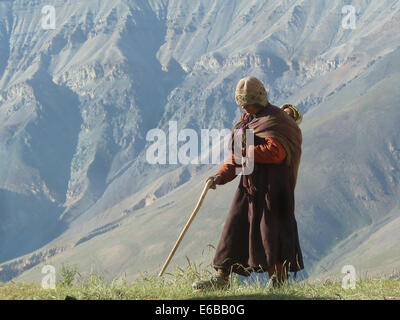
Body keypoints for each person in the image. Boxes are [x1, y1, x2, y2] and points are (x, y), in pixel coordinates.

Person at [192, 76, 304, 290]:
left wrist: (245, 153)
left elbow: (277, 152)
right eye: (242, 103)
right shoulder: (246, 122)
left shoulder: (276, 120)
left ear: (258, 101)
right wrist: (220, 177)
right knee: (235, 227)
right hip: (250, 186)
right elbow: (235, 158)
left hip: (275, 189)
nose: (244, 106)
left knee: (272, 233)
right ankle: (221, 279)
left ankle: (278, 281)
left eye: (247, 103)